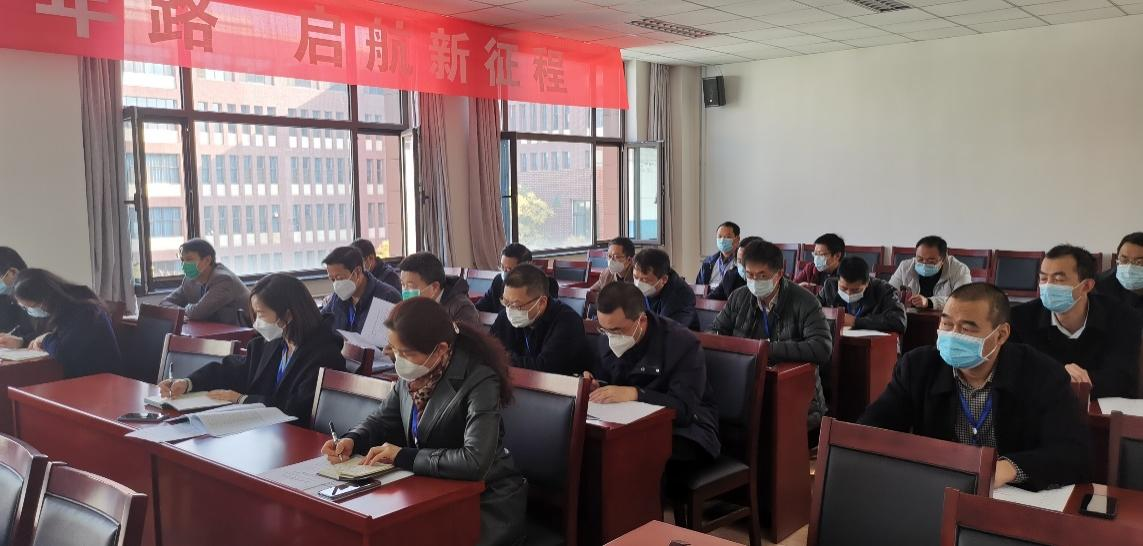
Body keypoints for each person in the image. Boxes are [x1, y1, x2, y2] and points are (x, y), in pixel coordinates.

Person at [321, 298, 527, 546]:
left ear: (440, 350)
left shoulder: (479, 379)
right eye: (394, 350)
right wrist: (353, 439)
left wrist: (402, 456)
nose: (398, 360)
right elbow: (382, 420)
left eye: (406, 353)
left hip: (484, 499)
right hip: (429, 490)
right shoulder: (415, 375)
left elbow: (474, 461)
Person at [860, 283, 1091, 491]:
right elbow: (871, 429)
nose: (953, 335)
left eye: (967, 329)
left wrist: (1009, 468)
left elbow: (1074, 452)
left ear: (1001, 335)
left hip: (1011, 495)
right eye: (946, 323)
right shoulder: (918, 366)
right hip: (939, 488)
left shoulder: (1041, 374)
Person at [159, 274, 346, 423]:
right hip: (265, 431)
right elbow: (233, 370)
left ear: (288, 315)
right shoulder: (272, 343)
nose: (256, 323)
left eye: (261, 315)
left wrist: (242, 399)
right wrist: (188, 383)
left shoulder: (323, 354)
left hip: (297, 438)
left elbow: (297, 409)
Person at [589, 282, 721, 465]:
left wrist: (636, 394)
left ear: (641, 321)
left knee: (627, 454)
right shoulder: (607, 338)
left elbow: (684, 409)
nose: (611, 337)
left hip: (689, 430)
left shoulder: (682, 343)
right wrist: (597, 386)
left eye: (617, 330)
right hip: (629, 423)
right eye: (604, 330)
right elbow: (613, 382)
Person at [709, 240, 831, 428]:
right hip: (745, 384)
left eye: (762, 275)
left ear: (779, 274)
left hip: (792, 391)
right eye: (750, 275)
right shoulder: (738, 297)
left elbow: (821, 348)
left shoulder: (806, 302)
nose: (754, 281)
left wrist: (766, 349)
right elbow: (715, 332)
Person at [1010, 245, 1142, 398]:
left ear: (1086, 286)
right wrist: (1061, 377)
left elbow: (1123, 378)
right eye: (1044, 279)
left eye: (1058, 279)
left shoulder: (1122, 317)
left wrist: (1079, 382)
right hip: (1040, 406)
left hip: (1100, 406)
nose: (1048, 286)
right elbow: (1014, 373)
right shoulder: (1020, 318)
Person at [12, 269, 122, 378]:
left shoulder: (85, 309)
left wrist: (45, 339)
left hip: (101, 379)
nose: (31, 311)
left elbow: (63, 352)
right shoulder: (60, 307)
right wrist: (23, 341)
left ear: (45, 298)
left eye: (32, 306)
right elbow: (52, 335)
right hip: (79, 376)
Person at [490, 264, 592, 376]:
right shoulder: (505, 316)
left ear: (542, 302)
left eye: (516, 305)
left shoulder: (568, 322)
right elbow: (488, 350)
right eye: (505, 302)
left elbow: (545, 368)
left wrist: (503, 359)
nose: (509, 309)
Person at [161, 239, 252, 325]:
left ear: (207, 260)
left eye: (189, 259)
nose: (184, 265)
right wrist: (183, 314)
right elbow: (164, 304)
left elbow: (197, 313)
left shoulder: (224, 279)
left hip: (243, 332)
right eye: (182, 260)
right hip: (214, 331)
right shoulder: (189, 281)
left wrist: (180, 313)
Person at [320, 246, 400, 335]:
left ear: (357, 272)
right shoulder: (338, 296)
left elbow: (395, 338)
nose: (336, 284)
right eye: (332, 279)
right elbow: (321, 320)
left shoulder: (388, 297)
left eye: (340, 278)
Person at [818, 256, 907, 335]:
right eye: (843, 288)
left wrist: (856, 322)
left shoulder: (885, 290)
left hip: (870, 344)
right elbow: (812, 311)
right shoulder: (830, 286)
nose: (849, 293)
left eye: (855, 290)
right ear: (838, 280)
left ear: (867, 283)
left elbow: (899, 321)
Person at [889, 235, 972, 311]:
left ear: (943, 259)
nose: (924, 264)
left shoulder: (960, 270)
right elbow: (888, 294)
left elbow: (962, 300)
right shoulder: (905, 267)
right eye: (920, 259)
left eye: (931, 261)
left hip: (944, 318)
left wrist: (929, 302)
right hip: (909, 317)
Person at [398, 252, 480, 328]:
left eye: (410, 286)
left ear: (434, 287)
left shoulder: (462, 308)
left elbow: (464, 339)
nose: (405, 291)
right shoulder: (411, 307)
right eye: (403, 285)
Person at [475, 243, 558, 314]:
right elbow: (482, 306)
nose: (504, 272)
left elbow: (549, 315)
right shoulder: (498, 281)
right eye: (502, 267)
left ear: (525, 267)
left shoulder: (547, 283)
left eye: (509, 269)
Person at [634, 249, 699, 330]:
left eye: (645, 280)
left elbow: (667, 330)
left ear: (664, 279)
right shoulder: (634, 290)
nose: (638, 283)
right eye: (635, 277)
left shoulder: (680, 295)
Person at [1095, 232, 1143, 316]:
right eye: (1124, 260)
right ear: (1117, 259)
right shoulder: (1098, 287)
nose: (1130, 267)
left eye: (1139, 262)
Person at [708, 236, 761, 301]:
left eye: (746, 261)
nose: (742, 265)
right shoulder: (730, 277)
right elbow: (710, 300)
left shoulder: (767, 281)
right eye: (739, 261)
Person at [0, 247, 33, 348]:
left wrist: (23, 341)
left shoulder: (39, 295)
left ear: (13, 272)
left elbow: (50, 334)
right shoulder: (3, 297)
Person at [695, 221, 740, 286]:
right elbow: (699, 287)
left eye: (727, 237)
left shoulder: (743, 262)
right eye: (719, 236)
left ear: (737, 239)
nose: (722, 240)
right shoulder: (708, 262)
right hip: (709, 292)